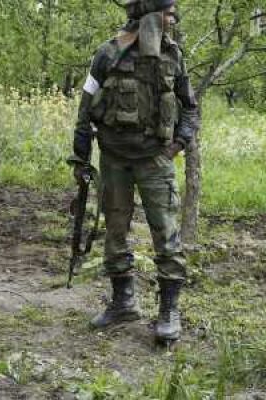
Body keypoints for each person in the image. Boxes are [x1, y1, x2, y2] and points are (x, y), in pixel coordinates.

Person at [67, 0, 200, 343]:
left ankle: (168, 312)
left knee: (166, 235)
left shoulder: (174, 56)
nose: (173, 19)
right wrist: (81, 153)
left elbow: (190, 109)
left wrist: (177, 145)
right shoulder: (108, 53)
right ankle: (123, 302)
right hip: (113, 159)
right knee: (114, 232)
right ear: (151, 17)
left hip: (155, 159)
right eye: (168, 13)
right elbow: (86, 105)